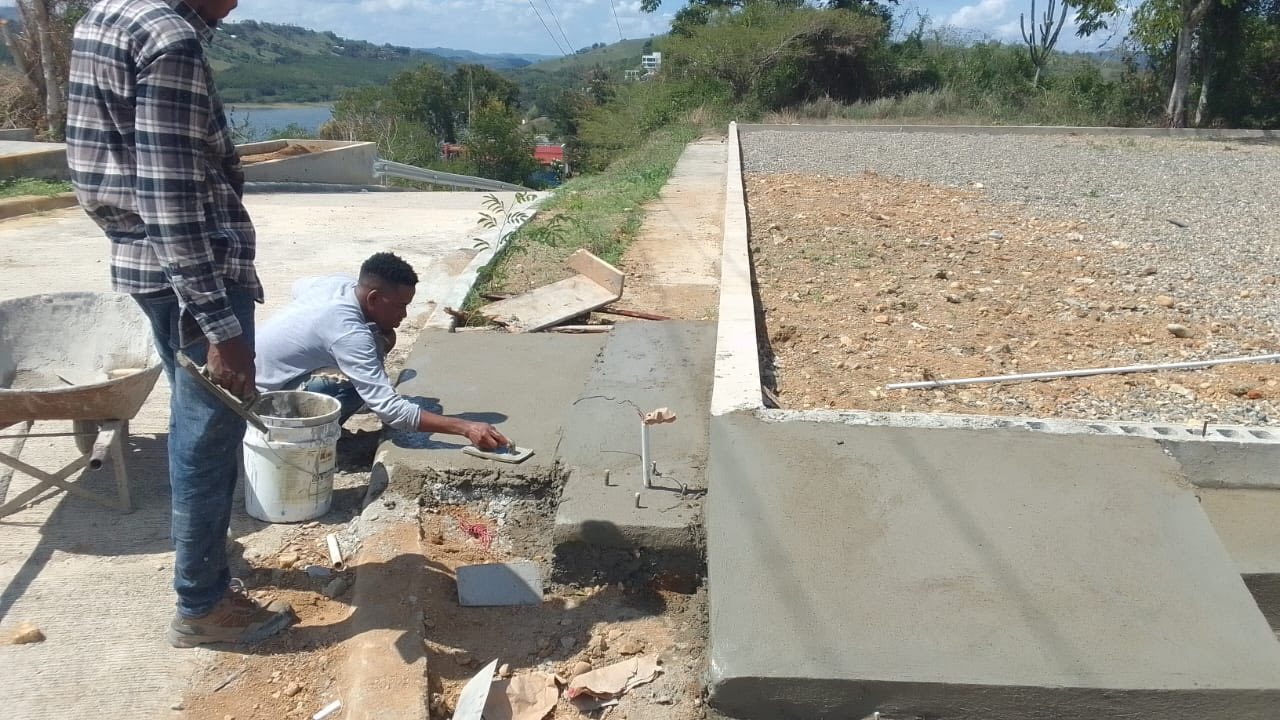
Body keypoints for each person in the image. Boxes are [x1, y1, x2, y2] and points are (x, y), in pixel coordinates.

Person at [66, 0, 293, 648]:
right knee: (207, 435)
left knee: (195, 424)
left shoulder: (108, 13)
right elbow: (169, 195)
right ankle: (202, 604)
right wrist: (220, 325)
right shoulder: (169, 42)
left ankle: (208, 562)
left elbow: (98, 165)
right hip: (191, 276)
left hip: (148, 267)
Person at [255, 253, 511, 451]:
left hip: (254, 375)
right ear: (374, 298)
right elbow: (391, 411)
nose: (404, 314)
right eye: (400, 306)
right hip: (264, 408)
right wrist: (465, 427)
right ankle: (305, 438)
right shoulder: (350, 334)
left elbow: (298, 286)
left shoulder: (339, 285)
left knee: (376, 348)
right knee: (352, 384)